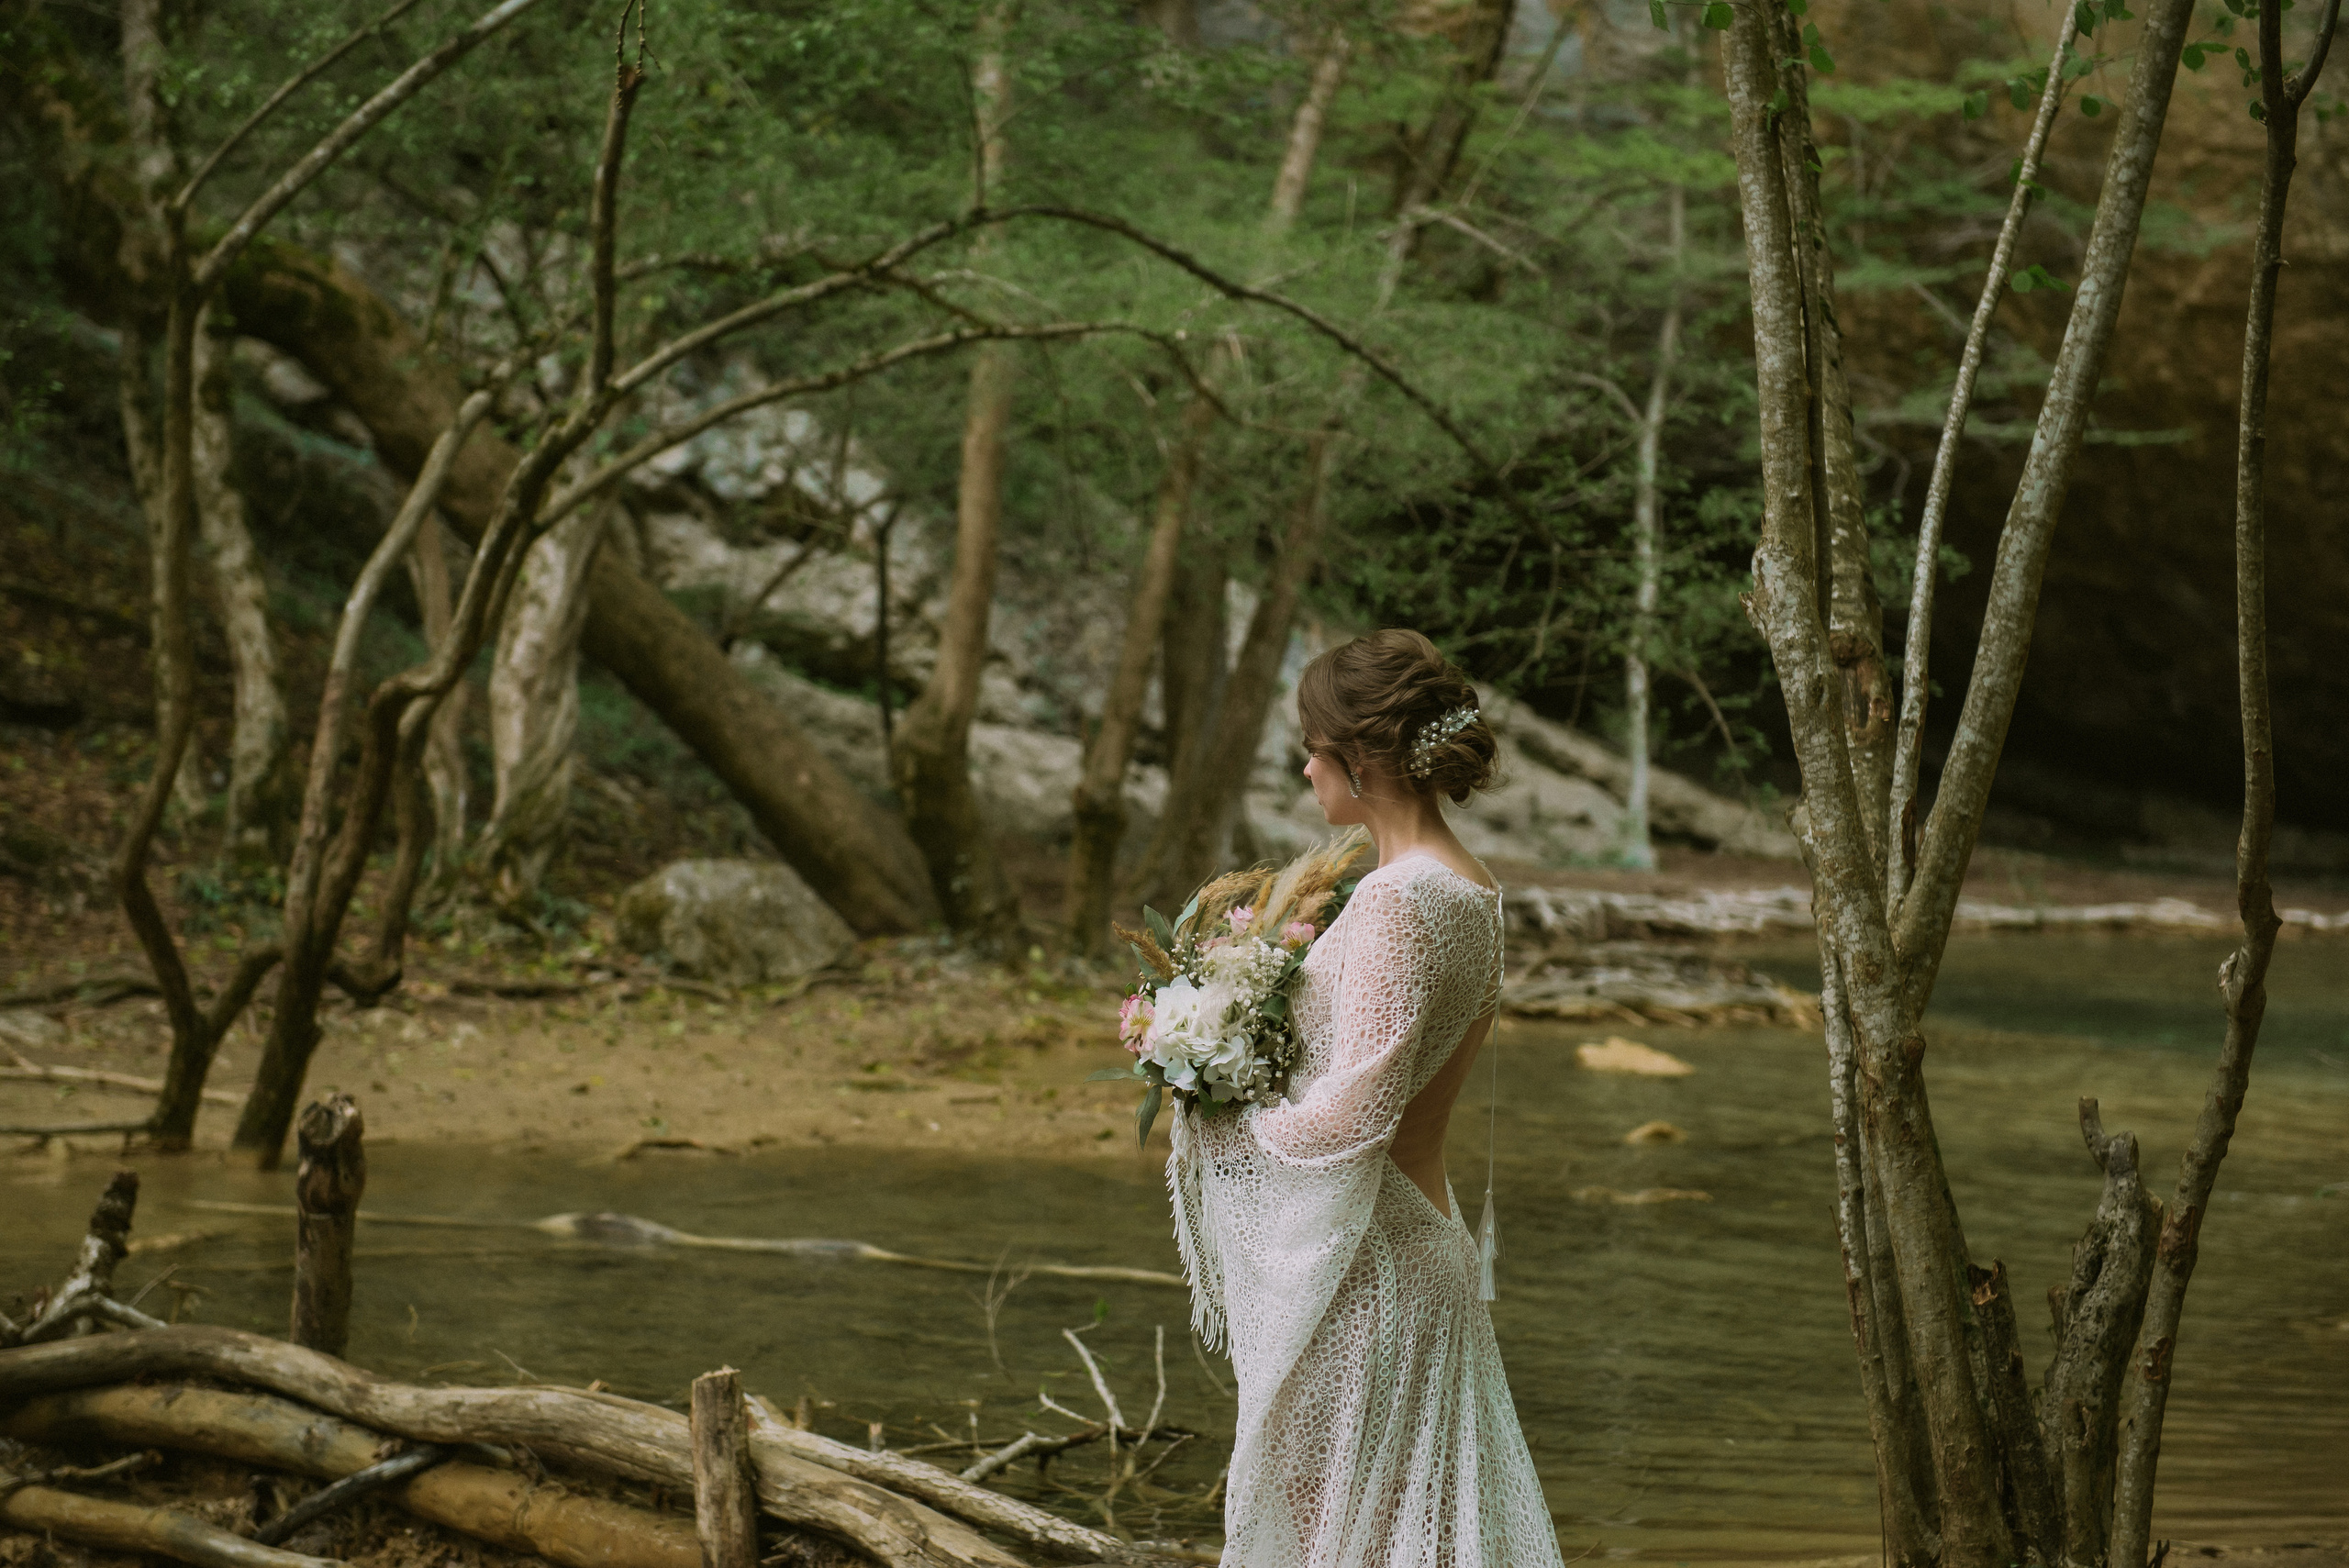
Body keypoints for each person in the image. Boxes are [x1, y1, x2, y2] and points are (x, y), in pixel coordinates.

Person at [1168, 628, 1564, 1567]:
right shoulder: (1473, 888)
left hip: (1369, 1270)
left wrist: (1220, 1116)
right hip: (1418, 1247)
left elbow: (1356, 1115)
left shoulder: (1398, 900)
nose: (1306, 768)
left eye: (1314, 746)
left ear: (1363, 755)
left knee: (1333, 1536)